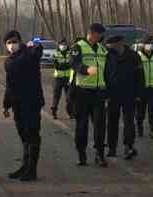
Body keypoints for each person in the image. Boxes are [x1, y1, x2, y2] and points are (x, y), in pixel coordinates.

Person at [2, 31, 44, 182]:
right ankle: (25, 166)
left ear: (20, 42)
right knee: (24, 136)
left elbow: (36, 54)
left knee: (32, 136)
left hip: (32, 102)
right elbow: (9, 84)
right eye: (8, 42)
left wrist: (34, 46)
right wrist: (6, 104)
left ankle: (31, 169)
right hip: (17, 104)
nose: (11, 45)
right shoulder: (9, 61)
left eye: (14, 41)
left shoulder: (29, 55)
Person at [69, 24, 109, 167]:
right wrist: (86, 70)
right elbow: (73, 63)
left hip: (99, 92)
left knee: (100, 125)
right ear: (91, 33)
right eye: (99, 34)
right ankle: (82, 154)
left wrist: (108, 91)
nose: (101, 37)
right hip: (83, 92)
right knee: (82, 125)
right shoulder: (77, 47)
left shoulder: (102, 49)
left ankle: (100, 154)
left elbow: (107, 71)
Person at [103, 33, 144, 161]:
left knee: (128, 122)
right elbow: (105, 75)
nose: (109, 47)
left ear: (119, 43)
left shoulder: (133, 56)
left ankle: (128, 146)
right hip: (113, 94)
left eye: (111, 44)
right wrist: (105, 94)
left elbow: (140, 76)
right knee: (112, 122)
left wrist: (139, 94)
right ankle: (112, 148)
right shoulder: (108, 56)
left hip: (129, 94)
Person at [50, 37, 73, 119]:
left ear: (67, 45)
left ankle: (70, 112)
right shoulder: (56, 54)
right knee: (56, 96)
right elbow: (57, 66)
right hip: (58, 78)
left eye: (64, 44)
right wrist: (66, 65)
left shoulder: (70, 53)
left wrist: (64, 65)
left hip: (68, 78)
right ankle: (54, 110)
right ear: (59, 45)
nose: (63, 46)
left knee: (69, 97)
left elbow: (71, 64)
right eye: (61, 44)